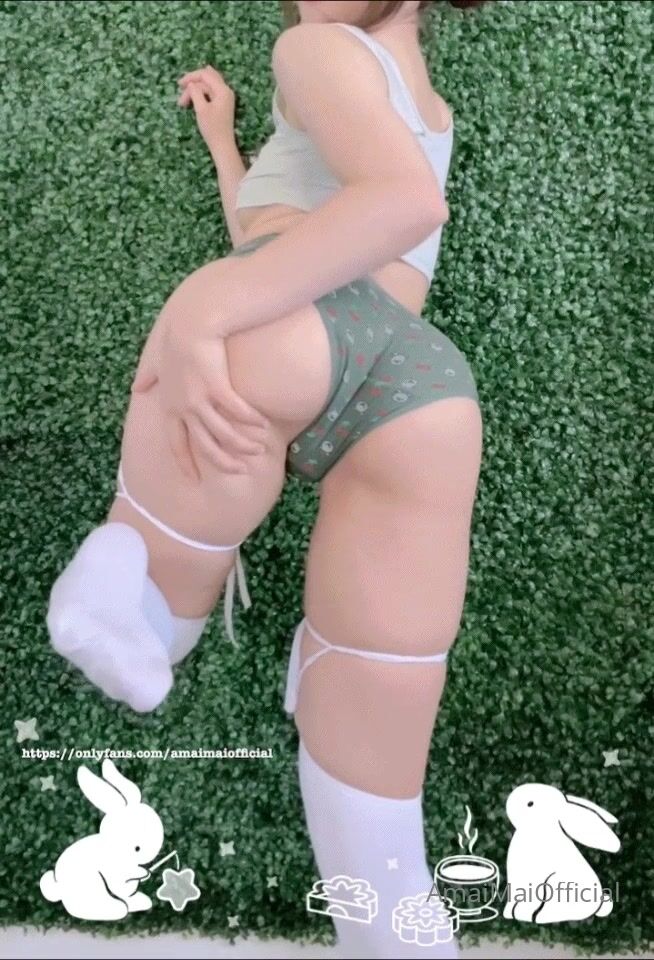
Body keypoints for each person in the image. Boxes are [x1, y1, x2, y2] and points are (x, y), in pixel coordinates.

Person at [46, 1, 486, 956]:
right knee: (375, 795)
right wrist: (225, 145)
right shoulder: (431, 108)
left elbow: (400, 205)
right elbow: (302, 225)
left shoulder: (315, 47)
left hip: (287, 331)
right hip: (421, 389)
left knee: (160, 585)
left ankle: (131, 603)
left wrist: (205, 307)